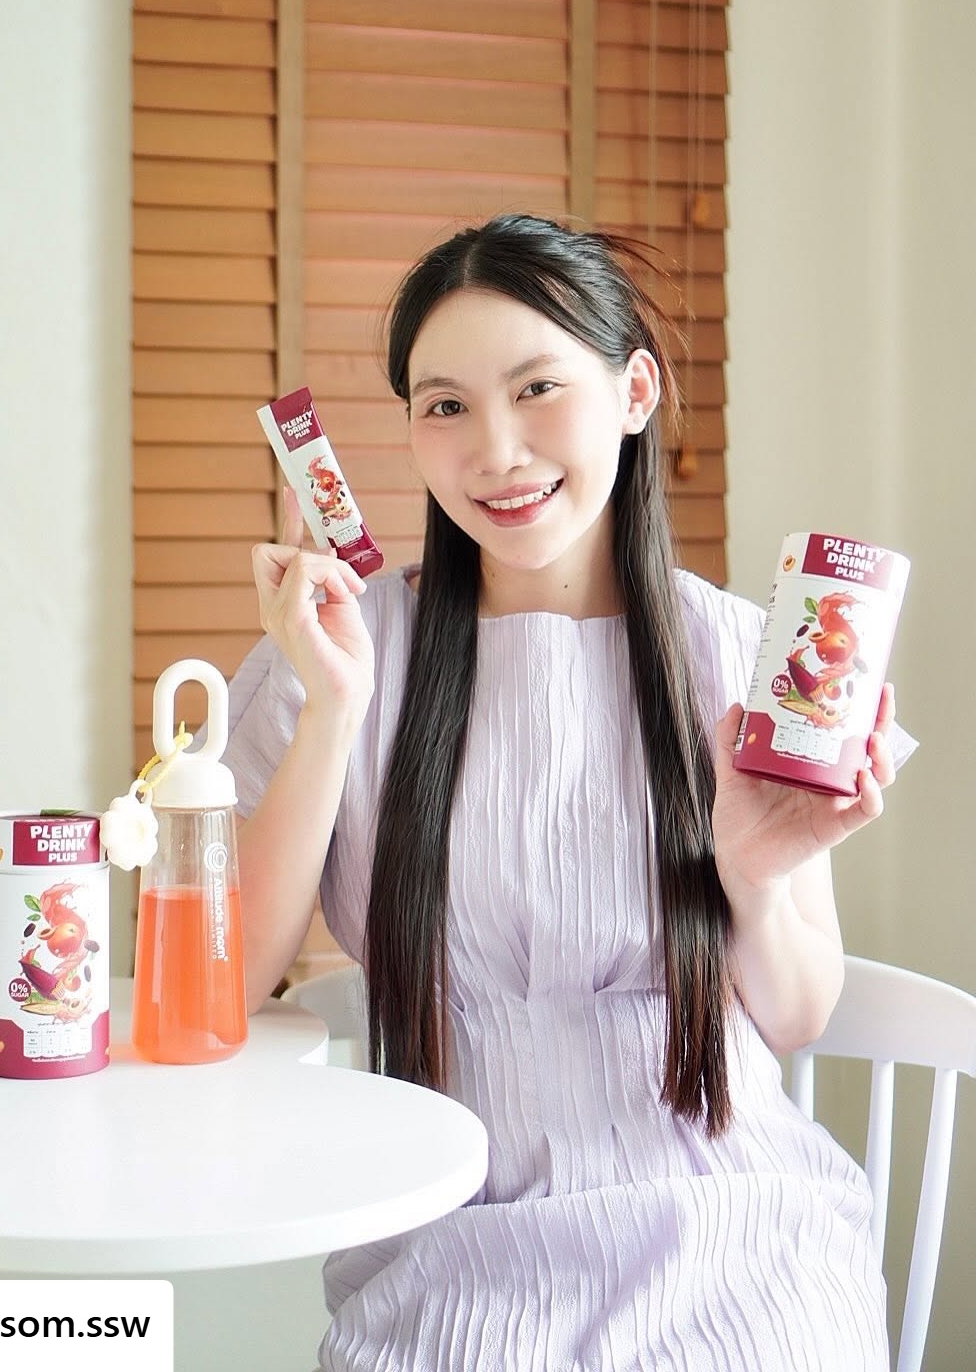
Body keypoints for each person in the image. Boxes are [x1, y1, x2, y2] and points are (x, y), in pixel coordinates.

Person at [224, 213, 917, 1370]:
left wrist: (751, 877)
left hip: (736, 1236)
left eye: (538, 388)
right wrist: (335, 709)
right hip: (450, 1247)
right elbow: (227, 986)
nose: (496, 451)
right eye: (446, 406)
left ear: (634, 392)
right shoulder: (338, 650)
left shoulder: (741, 657)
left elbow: (797, 1016)